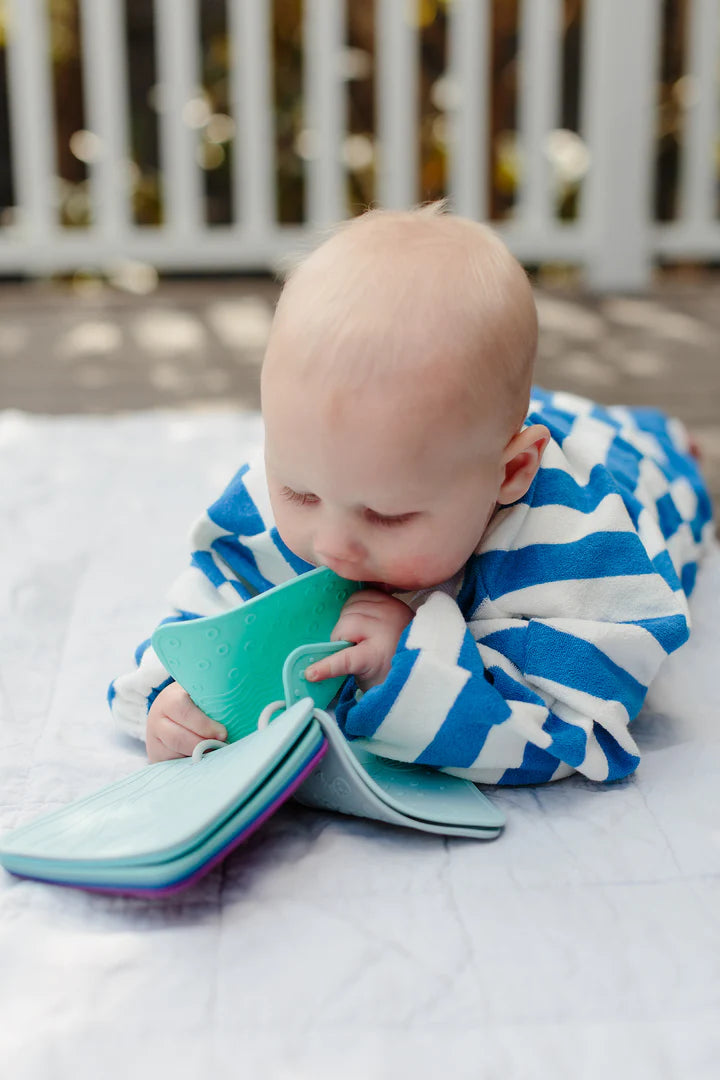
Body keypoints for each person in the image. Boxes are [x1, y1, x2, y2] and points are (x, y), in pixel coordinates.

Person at [108, 204, 714, 784]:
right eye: (298, 493)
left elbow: (576, 730)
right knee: (467, 421)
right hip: (463, 440)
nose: (335, 546)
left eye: (386, 515)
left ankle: (672, 438)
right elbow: (204, 614)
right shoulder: (321, 475)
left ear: (509, 474)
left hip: (632, 468)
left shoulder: (579, 549)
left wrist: (409, 669)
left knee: (652, 454)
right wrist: (174, 696)